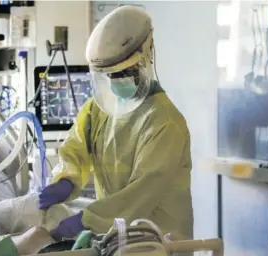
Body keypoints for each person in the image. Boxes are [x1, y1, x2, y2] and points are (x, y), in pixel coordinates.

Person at [39, 5, 193, 241]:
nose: (115, 81)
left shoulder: (165, 123)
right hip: (115, 235)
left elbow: (139, 194)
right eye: (109, 75)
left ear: (145, 60)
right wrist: (66, 179)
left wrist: (86, 220)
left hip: (160, 239)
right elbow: (76, 147)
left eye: (123, 73)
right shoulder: (99, 108)